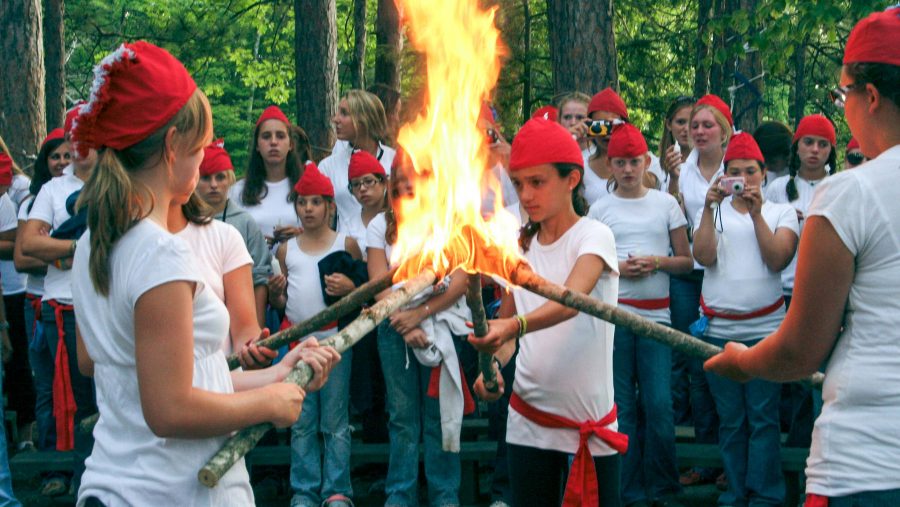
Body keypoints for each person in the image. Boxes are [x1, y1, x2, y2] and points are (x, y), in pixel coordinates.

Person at [67, 41, 339, 506]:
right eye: (200, 148)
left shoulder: (95, 240)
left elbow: (186, 379)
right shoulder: (158, 254)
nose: (204, 162)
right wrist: (268, 406)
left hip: (119, 485)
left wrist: (278, 374)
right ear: (173, 146)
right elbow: (170, 408)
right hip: (171, 492)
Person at [705, 8, 900, 506]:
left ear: (871, 97)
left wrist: (744, 362)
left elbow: (802, 349)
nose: (844, 107)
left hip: (870, 458)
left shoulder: (850, 193)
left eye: (844, 94)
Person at [469, 118, 624, 507]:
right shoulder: (519, 247)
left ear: (572, 179)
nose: (525, 195)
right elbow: (508, 334)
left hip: (589, 424)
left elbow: (571, 300)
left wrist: (513, 325)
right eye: (518, 183)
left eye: (537, 182)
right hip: (528, 420)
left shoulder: (594, 235)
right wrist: (491, 370)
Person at [692, 132, 799, 507]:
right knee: (732, 420)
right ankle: (736, 494)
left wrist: (755, 214)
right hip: (719, 331)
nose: (743, 179)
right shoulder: (713, 210)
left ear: (764, 173)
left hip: (766, 333)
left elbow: (777, 260)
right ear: (723, 177)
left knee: (763, 417)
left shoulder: (781, 212)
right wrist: (707, 209)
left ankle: (766, 495)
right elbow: (703, 256)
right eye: (734, 172)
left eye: (750, 171)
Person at [589, 124, 693, 507]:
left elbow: (686, 261)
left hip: (657, 321)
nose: (628, 169)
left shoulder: (665, 204)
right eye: (620, 162)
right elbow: (592, 266)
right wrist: (619, 266)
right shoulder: (599, 210)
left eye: (634, 161)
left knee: (659, 404)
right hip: (615, 320)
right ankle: (625, 492)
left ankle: (664, 490)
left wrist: (656, 262)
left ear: (647, 161)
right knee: (622, 407)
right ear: (610, 165)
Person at [367, 154, 467, 507]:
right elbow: (378, 283)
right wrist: (403, 323)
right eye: (399, 176)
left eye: (414, 176)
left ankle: (444, 494)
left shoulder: (449, 221)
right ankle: (400, 494)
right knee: (402, 417)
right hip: (394, 328)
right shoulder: (380, 225)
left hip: (439, 322)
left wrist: (422, 313)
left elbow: (461, 278)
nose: (406, 183)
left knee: (439, 414)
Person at [268, 165, 361, 507]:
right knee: (301, 418)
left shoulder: (346, 244)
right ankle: (304, 490)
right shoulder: (286, 250)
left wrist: (351, 287)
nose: (308, 209)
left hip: (336, 342)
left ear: (330, 207)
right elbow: (282, 304)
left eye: (315, 203)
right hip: (297, 346)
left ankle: (337, 490)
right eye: (302, 203)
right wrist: (277, 296)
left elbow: (361, 289)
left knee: (335, 420)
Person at [21, 105, 99, 494]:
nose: (83, 146)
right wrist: (77, 247)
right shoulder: (53, 189)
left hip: (109, 306)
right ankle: (84, 487)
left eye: (91, 136)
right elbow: (28, 243)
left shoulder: (115, 180)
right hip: (64, 308)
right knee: (78, 404)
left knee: (117, 399)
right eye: (76, 137)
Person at [667, 94, 733, 488]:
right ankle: (707, 459)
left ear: (724, 131)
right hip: (692, 274)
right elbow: (676, 214)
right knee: (697, 366)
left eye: (708, 125)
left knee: (727, 365)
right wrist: (673, 178)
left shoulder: (737, 165)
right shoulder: (684, 171)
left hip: (728, 275)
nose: (700, 131)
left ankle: (731, 461)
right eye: (694, 126)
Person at [13, 128, 69, 496]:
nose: (62, 163)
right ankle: (52, 468)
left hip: (76, 304)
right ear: (44, 162)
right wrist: (59, 254)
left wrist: (51, 250)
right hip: (39, 307)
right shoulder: (33, 201)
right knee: (48, 389)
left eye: (68, 155)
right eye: (55, 157)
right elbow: (21, 256)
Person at [196, 139, 272, 330]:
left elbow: (259, 279)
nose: (214, 185)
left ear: (230, 179)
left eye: (220, 177)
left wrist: (257, 330)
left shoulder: (245, 222)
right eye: (206, 178)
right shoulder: (184, 221)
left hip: (239, 319)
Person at [765, 114, 837, 304]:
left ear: (831, 151)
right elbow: (762, 234)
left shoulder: (840, 188)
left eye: (823, 144)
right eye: (808, 142)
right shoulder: (777, 188)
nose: (815, 150)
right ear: (796, 147)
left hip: (823, 288)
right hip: (780, 288)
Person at [230, 105, 305, 247]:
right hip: (253, 267)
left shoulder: (305, 188)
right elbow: (228, 237)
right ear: (257, 145)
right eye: (266, 136)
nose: (274, 142)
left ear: (291, 145)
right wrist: (254, 242)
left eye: (280, 136)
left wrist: (301, 237)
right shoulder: (238, 191)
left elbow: (322, 237)